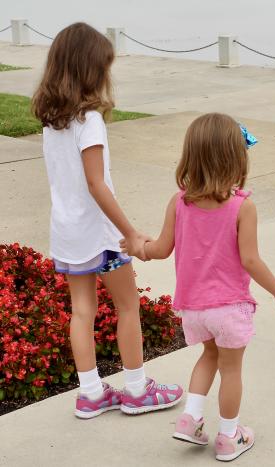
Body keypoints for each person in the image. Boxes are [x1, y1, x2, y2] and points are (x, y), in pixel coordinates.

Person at [121, 113, 275, 461]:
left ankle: (190, 419)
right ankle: (230, 437)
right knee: (231, 370)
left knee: (208, 357)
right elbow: (250, 260)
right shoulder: (242, 207)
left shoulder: (180, 202)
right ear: (236, 160)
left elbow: (159, 249)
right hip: (230, 307)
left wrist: (139, 246)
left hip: (194, 309)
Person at [32, 22, 183, 419]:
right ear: (90, 69)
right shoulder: (89, 122)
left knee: (82, 311)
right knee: (127, 305)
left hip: (67, 231)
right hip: (102, 235)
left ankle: (92, 394)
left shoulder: (52, 121)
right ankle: (136, 389)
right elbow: (97, 185)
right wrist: (129, 232)